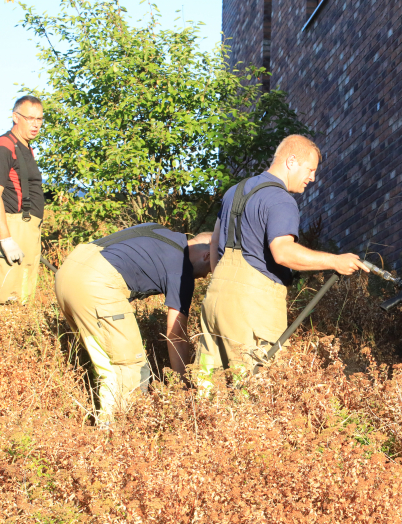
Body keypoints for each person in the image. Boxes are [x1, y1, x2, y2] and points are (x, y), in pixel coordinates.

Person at [196, 134, 368, 381]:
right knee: (258, 389)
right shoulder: (280, 199)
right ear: (291, 161)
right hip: (251, 307)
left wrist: (222, 281)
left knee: (209, 386)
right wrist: (335, 261)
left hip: (215, 298)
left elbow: (214, 242)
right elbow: (283, 252)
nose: (313, 177)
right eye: (310, 169)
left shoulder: (234, 192)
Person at [55, 224, 212, 426]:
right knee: (128, 367)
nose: (205, 277)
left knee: (105, 359)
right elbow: (176, 335)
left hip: (67, 271)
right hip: (97, 284)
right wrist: (183, 388)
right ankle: (116, 435)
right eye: (209, 269)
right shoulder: (181, 269)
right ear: (206, 256)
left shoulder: (159, 231)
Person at [0, 95, 45, 304]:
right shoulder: (3, 146)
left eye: (39, 119)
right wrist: (6, 240)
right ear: (15, 117)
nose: (35, 124)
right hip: (12, 226)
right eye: (30, 118)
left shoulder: (25, 146)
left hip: (27, 228)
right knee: (5, 299)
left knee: (24, 297)